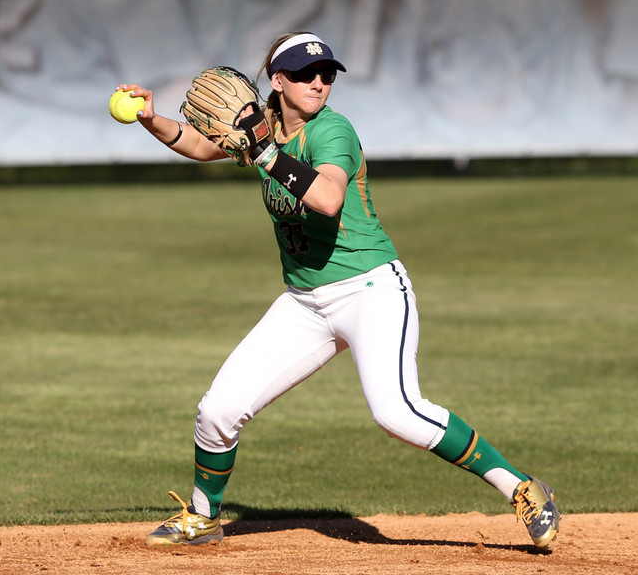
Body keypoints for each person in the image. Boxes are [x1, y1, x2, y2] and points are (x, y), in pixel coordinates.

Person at [117, 31, 560, 550]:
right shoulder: (262, 126)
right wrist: (150, 118)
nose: (318, 82)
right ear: (277, 81)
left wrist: (265, 154)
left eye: (327, 73)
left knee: (396, 412)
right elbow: (198, 143)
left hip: (371, 291)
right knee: (218, 410)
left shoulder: (333, 131)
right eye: (305, 73)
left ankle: (521, 487)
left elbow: (327, 197)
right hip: (305, 303)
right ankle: (203, 516)